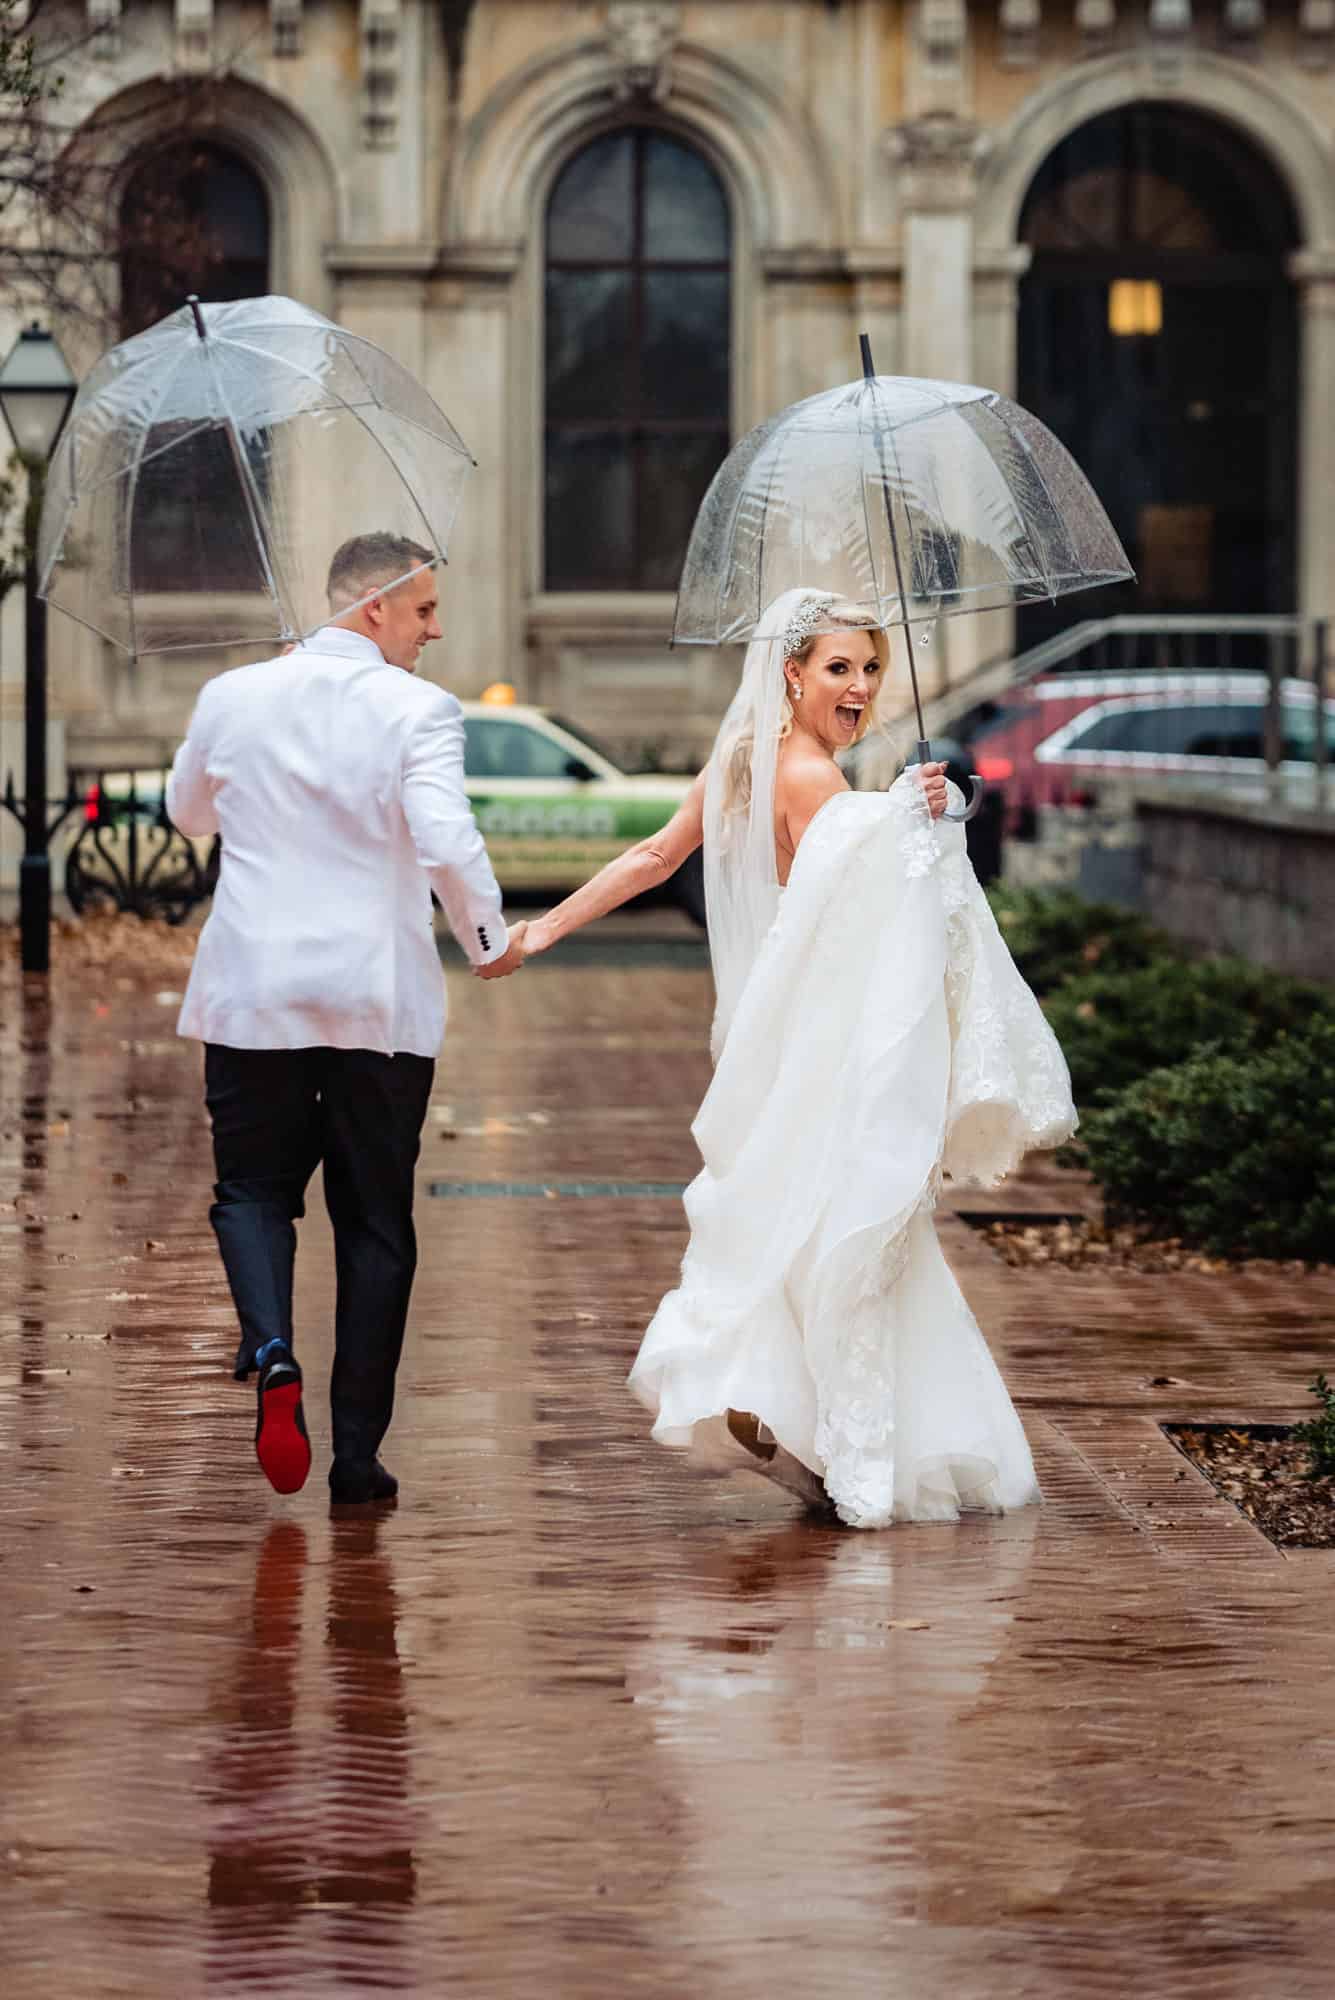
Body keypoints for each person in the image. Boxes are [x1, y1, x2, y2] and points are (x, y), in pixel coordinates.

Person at [519, 588, 1076, 1528]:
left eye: (869, 669)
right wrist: (933, 821)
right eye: (837, 669)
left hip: (767, 1037)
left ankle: (780, 1406)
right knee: (846, 1229)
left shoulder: (744, 759)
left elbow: (654, 856)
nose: (859, 688)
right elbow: (880, 924)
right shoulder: (824, 790)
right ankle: (840, 1441)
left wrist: (544, 929)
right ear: (792, 673)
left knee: (788, 1221)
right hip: (830, 1039)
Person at [167, 533, 526, 1506]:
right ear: (373, 607)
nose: (436, 629)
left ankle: (272, 1346)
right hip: (377, 1002)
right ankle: (358, 1458)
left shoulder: (233, 696)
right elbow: (446, 839)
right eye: (423, 611)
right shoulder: (418, 709)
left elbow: (188, 812)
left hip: (254, 994)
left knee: (251, 1191)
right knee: (375, 1221)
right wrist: (487, 936)